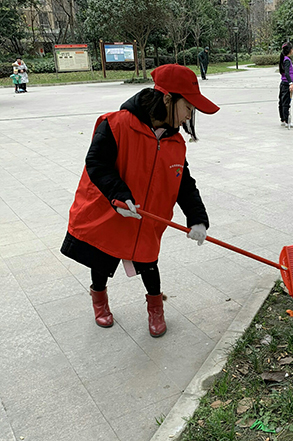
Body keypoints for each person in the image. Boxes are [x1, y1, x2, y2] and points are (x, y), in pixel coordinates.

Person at [60, 64, 219, 337]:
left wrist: (198, 219)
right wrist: (119, 195)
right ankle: (99, 299)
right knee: (100, 262)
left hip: (145, 219)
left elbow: (184, 183)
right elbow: (96, 163)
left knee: (149, 263)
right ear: (168, 99)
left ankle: (156, 308)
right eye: (188, 107)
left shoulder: (175, 143)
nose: (189, 116)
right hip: (114, 212)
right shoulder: (116, 124)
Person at [278, 42, 293, 128]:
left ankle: (283, 119)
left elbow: (287, 72)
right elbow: (286, 73)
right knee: (286, 103)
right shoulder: (287, 60)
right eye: (292, 49)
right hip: (286, 84)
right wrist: (290, 83)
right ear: (290, 50)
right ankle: (287, 121)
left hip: (283, 83)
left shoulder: (284, 59)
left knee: (282, 102)